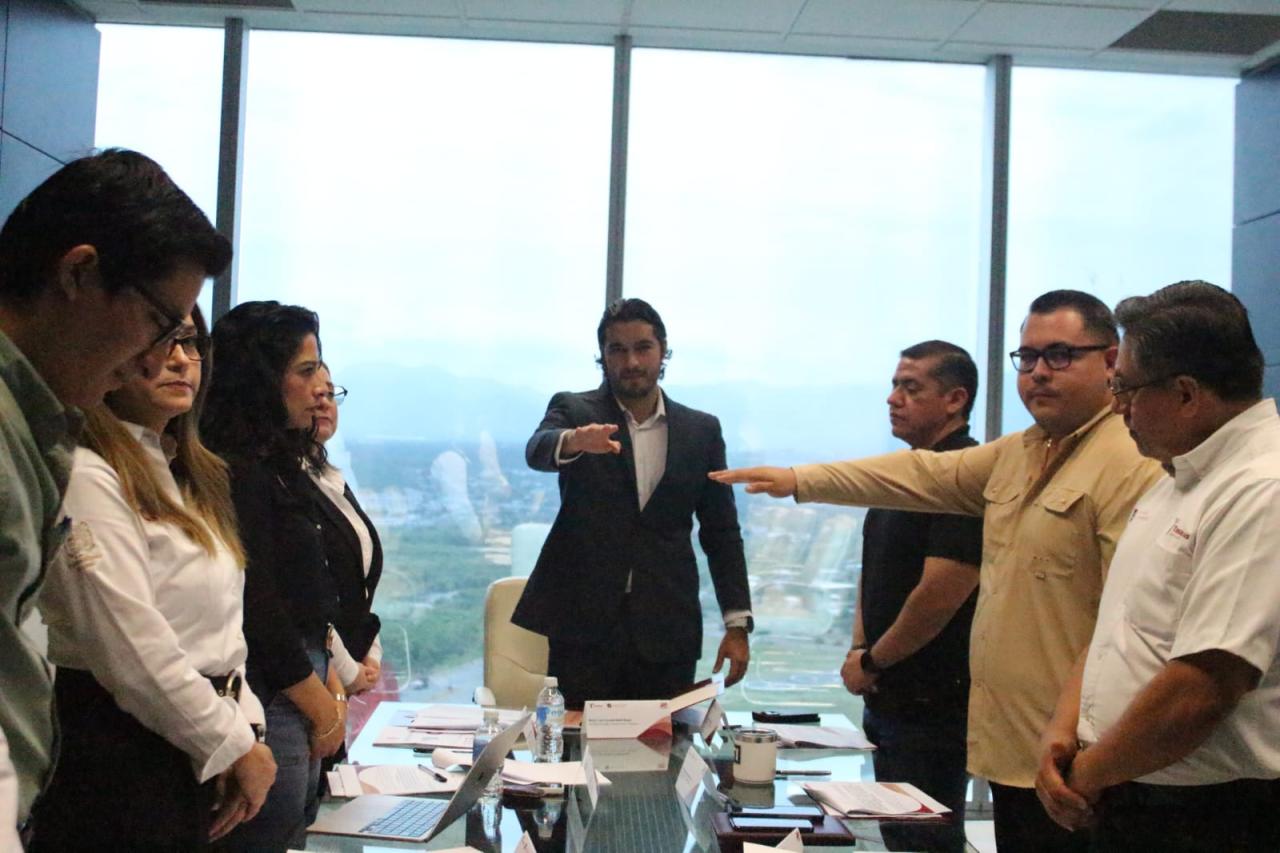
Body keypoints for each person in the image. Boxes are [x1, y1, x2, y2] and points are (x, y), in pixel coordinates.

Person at [711, 290, 1164, 852]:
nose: (1039, 372)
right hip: (1012, 747)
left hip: (1074, 754)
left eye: (1060, 355)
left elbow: (1123, 625)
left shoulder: (1132, 461)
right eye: (1027, 358)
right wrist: (799, 479)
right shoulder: (1021, 452)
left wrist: (875, 659)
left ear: (1112, 361)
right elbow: (920, 475)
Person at [0, 148, 229, 843]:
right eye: (161, 325)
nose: (156, 359)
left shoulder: (36, 426)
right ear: (78, 273)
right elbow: (131, 647)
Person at [1035, 282, 1280, 852]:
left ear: (1186, 393)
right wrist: (1062, 731)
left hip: (1210, 816)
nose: (1117, 406)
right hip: (1129, 790)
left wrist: (1088, 773)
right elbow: (1119, 625)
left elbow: (1203, 686)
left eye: (1125, 388)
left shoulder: (1259, 490)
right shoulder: (1178, 478)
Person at [31, 307, 276, 849]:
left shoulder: (186, 474)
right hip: (122, 746)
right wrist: (232, 743)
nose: (181, 359)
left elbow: (221, 634)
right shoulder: (88, 473)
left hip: (195, 733)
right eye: (162, 340)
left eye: (191, 342)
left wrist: (247, 726)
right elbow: (131, 650)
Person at [512, 298, 752, 709]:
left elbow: (722, 533)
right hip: (584, 627)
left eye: (643, 348)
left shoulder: (701, 430)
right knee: (578, 741)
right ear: (603, 357)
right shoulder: (575, 410)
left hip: (667, 626)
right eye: (617, 350)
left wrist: (737, 624)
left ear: (663, 351)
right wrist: (575, 441)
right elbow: (538, 449)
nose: (632, 362)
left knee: (663, 743)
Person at [201, 302, 347, 851]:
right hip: (272, 690)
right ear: (262, 380)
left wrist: (329, 679)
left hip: (304, 679)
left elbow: (310, 595)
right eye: (305, 371)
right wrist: (317, 701)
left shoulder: (281, 464)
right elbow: (257, 603)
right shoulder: (234, 470)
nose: (320, 387)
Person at [842, 341, 982, 853]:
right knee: (899, 836)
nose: (893, 398)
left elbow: (940, 593)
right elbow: (873, 570)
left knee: (926, 842)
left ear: (955, 399)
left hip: (934, 705)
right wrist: (860, 649)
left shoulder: (963, 475)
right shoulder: (905, 475)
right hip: (888, 696)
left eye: (911, 387)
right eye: (894, 385)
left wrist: (874, 659)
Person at [308, 366, 383, 699]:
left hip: (342, 669)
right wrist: (348, 670)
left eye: (329, 393)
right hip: (312, 675)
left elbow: (355, 582)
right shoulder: (285, 484)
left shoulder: (330, 477)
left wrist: (370, 651)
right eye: (314, 391)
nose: (324, 402)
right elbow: (309, 597)